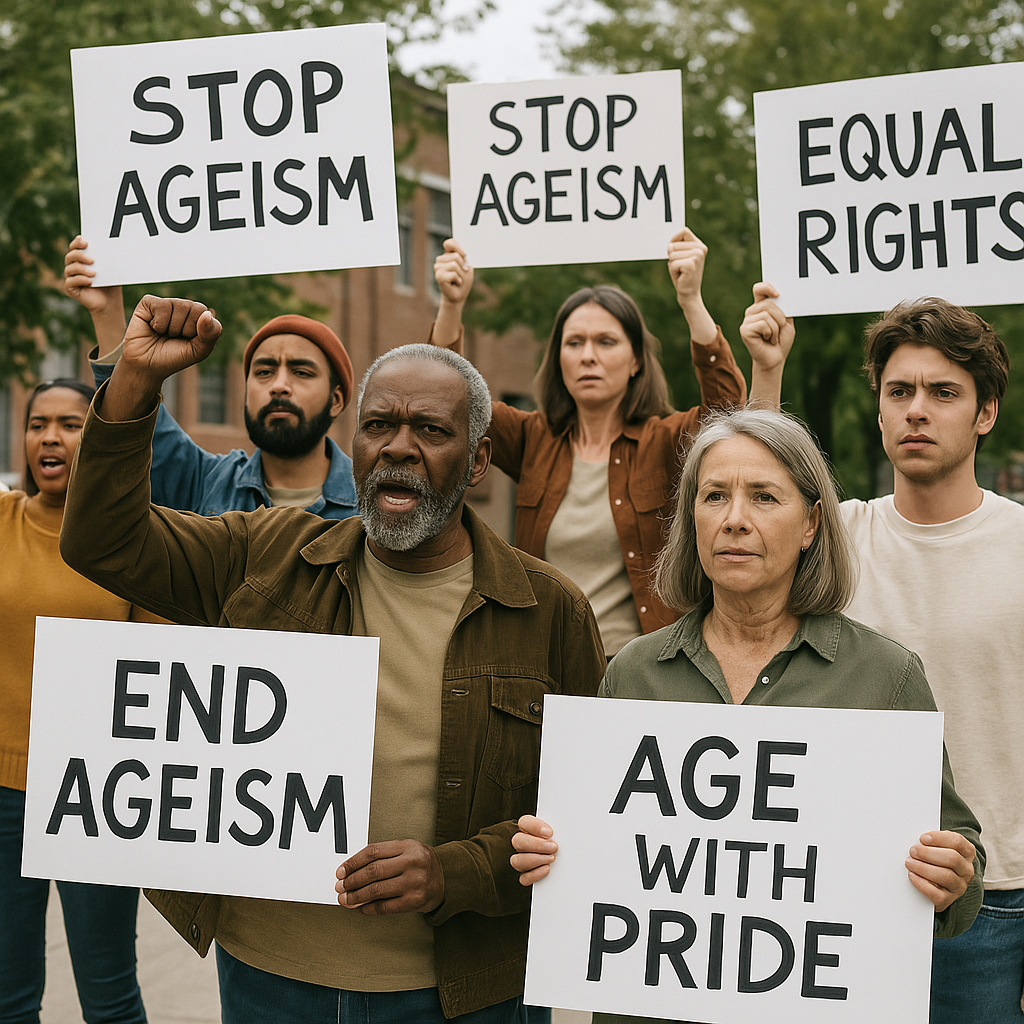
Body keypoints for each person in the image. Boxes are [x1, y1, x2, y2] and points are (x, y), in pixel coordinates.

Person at [59, 294, 607, 1023]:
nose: (398, 447)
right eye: (379, 426)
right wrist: (131, 381)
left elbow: (588, 819)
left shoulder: (550, 610)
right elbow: (101, 540)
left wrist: (452, 874)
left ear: (479, 460)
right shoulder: (265, 551)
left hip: (466, 993)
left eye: (430, 430)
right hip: (268, 981)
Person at [510, 408, 985, 1024]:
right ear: (691, 521)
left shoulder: (886, 677)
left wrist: (950, 877)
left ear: (812, 522)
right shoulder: (633, 673)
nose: (735, 519)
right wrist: (554, 856)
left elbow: (959, 860)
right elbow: (600, 855)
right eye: (715, 496)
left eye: (764, 496)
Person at [432, 230, 792, 656]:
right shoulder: (532, 439)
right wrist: (452, 305)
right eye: (574, 343)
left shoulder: (664, 442)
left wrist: (691, 300)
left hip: (641, 671)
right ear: (558, 358)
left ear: (636, 359)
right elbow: (449, 399)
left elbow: (730, 414)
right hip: (545, 668)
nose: (588, 356)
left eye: (606, 342)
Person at [839, 299, 1024, 1023]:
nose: (917, 410)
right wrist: (766, 372)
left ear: (986, 414)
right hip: (842, 887)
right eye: (899, 392)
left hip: (995, 897)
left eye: (943, 392)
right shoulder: (833, 538)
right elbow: (747, 487)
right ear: (880, 411)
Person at [0, 379, 151, 1024]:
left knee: (109, 999)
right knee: (7, 1000)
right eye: (38, 424)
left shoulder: (131, 538)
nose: (50, 437)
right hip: (4, 793)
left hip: (95, 798)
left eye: (70, 423)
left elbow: (165, 670)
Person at [63, 235, 358, 518]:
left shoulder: (373, 502)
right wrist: (107, 313)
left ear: (336, 399)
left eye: (301, 372)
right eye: (264, 372)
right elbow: (133, 430)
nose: (279, 386)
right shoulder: (204, 482)